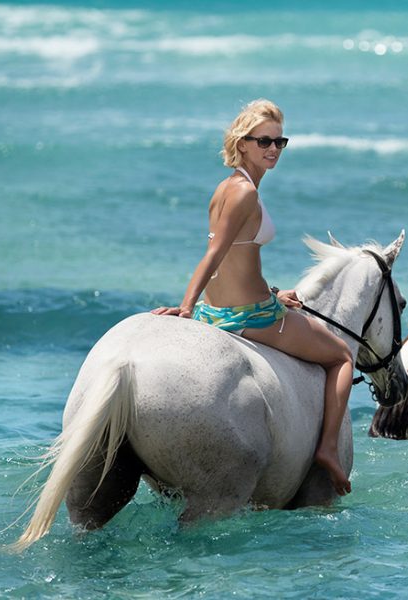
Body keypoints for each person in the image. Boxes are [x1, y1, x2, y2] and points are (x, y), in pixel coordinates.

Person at [151, 99, 353, 495]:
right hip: (251, 317)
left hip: (223, 310)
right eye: (264, 141)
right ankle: (328, 449)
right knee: (342, 356)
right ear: (242, 143)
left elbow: (236, 261)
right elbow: (215, 253)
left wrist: (276, 292)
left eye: (280, 142)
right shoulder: (244, 192)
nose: (273, 149)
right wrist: (186, 307)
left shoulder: (226, 188)